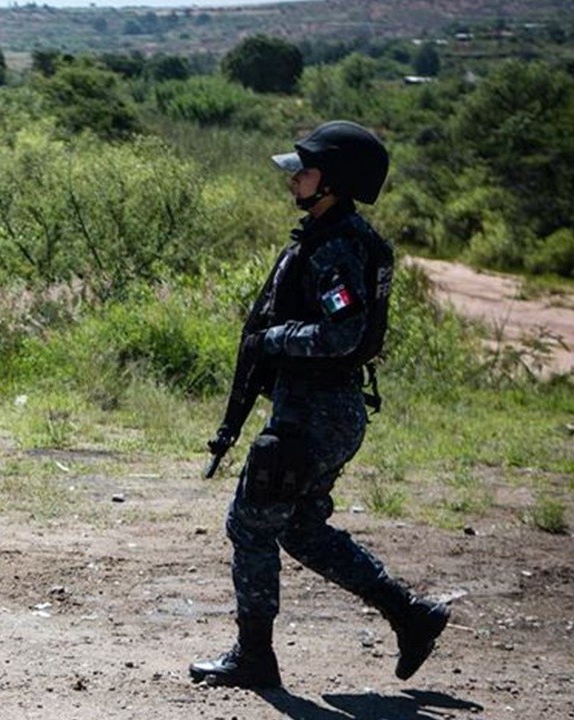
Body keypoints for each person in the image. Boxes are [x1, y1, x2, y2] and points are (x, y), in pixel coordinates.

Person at [189, 121, 450, 688]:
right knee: (301, 528)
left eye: (303, 172)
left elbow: (345, 333)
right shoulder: (329, 234)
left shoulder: (334, 246)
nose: (293, 181)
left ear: (332, 183)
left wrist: (273, 340)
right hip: (325, 412)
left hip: (314, 414)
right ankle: (412, 616)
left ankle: (254, 659)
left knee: (250, 525)